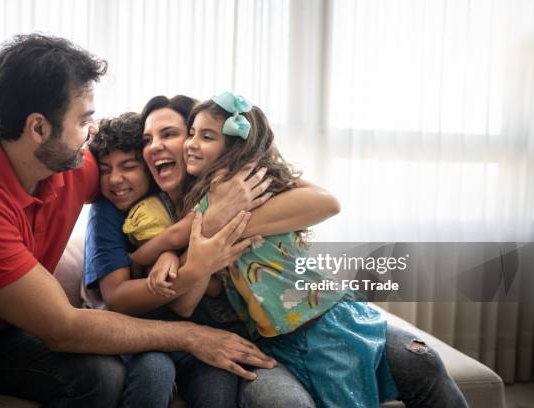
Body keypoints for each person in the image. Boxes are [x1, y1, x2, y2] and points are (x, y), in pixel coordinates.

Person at [0, 34, 275, 407]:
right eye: (84, 120)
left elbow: (148, 170)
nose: (93, 133)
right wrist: (191, 335)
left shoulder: (72, 165)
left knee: (103, 378)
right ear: (39, 128)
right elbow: (64, 327)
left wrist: (224, 179)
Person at [147, 92, 470, 408]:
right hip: (274, 338)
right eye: (192, 134)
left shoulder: (252, 185)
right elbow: (188, 292)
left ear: (235, 147)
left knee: (416, 361)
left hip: (325, 314)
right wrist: (173, 255)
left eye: (204, 136)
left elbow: (328, 203)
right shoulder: (201, 203)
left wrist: (163, 249)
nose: (190, 144)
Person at [85, 94, 338, 408]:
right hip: (150, 331)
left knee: (217, 385)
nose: (157, 146)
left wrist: (214, 229)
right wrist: (188, 251)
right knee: (155, 370)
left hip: (254, 322)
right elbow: (132, 297)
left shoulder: (220, 186)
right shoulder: (136, 201)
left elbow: (325, 202)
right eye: (148, 139)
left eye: (172, 134)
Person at [84, 112, 241, 408]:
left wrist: (168, 253)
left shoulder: (175, 196)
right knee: (155, 370)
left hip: (191, 324)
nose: (115, 180)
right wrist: (178, 260)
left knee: (220, 378)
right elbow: (116, 298)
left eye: (129, 167)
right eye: (105, 170)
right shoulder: (105, 212)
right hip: (131, 332)